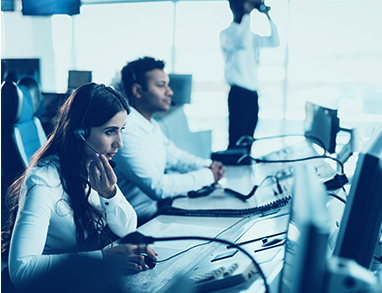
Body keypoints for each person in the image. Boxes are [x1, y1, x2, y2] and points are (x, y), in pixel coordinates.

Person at [1, 83, 157, 293]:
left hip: (82, 281)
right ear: (79, 132)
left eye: (121, 130)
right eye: (110, 132)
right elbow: (22, 270)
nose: (119, 143)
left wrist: (109, 194)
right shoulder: (43, 181)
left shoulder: (93, 166)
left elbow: (128, 229)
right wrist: (104, 257)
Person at [114, 56, 225, 226]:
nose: (170, 92)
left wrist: (208, 165)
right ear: (137, 91)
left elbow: (177, 157)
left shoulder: (151, 125)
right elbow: (157, 187)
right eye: (161, 85)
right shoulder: (125, 130)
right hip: (136, 225)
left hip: (154, 215)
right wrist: (208, 175)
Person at [220, 0, 280, 149]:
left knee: (249, 140)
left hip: (252, 94)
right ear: (233, 8)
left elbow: (275, 42)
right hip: (238, 94)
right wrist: (247, 15)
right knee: (237, 139)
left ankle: (245, 171)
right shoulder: (226, 34)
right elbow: (241, 42)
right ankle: (233, 170)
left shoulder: (251, 36)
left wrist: (267, 15)